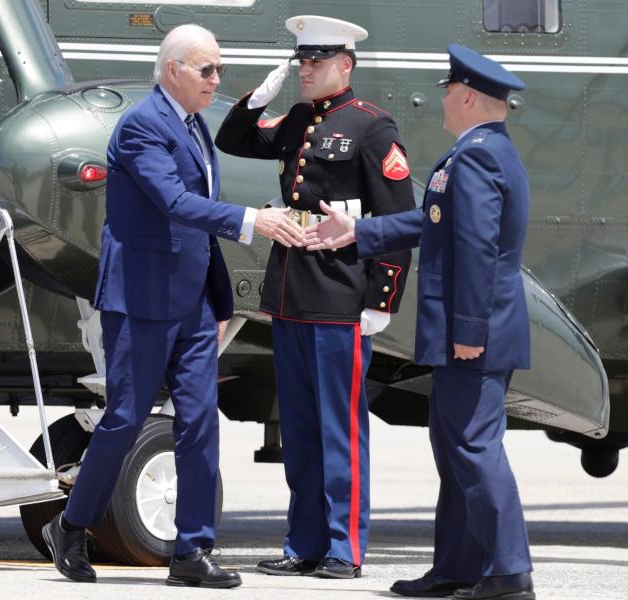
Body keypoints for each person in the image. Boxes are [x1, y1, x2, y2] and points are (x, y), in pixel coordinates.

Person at [42, 23, 306, 589]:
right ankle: (71, 524)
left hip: (189, 304)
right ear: (172, 72)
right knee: (125, 420)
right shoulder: (142, 126)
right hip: (140, 300)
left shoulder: (192, 125)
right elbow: (174, 202)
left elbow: (195, 224)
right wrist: (251, 221)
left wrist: (218, 299)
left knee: (198, 423)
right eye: (206, 69)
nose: (216, 79)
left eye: (220, 69)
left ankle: (191, 552)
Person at [304, 44, 535, 600]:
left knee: (473, 447)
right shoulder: (482, 151)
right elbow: (433, 220)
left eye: (448, 95)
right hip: (469, 331)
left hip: (473, 334)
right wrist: (359, 233)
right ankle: (458, 568)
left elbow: (478, 249)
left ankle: (509, 572)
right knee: (455, 446)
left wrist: (469, 332)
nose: (444, 105)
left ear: (468, 97)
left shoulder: (478, 156)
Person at [214, 15, 414, 579]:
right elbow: (233, 139)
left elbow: (396, 221)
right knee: (299, 430)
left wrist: (382, 297)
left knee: (338, 428)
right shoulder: (299, 116)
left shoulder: (373, 128)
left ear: (345, 64)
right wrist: (258, 96)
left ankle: (344, 548)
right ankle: (303, 543)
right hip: (290, 293)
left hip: (339, 294)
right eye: (301, 61)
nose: (306, 69)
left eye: (316, 62)